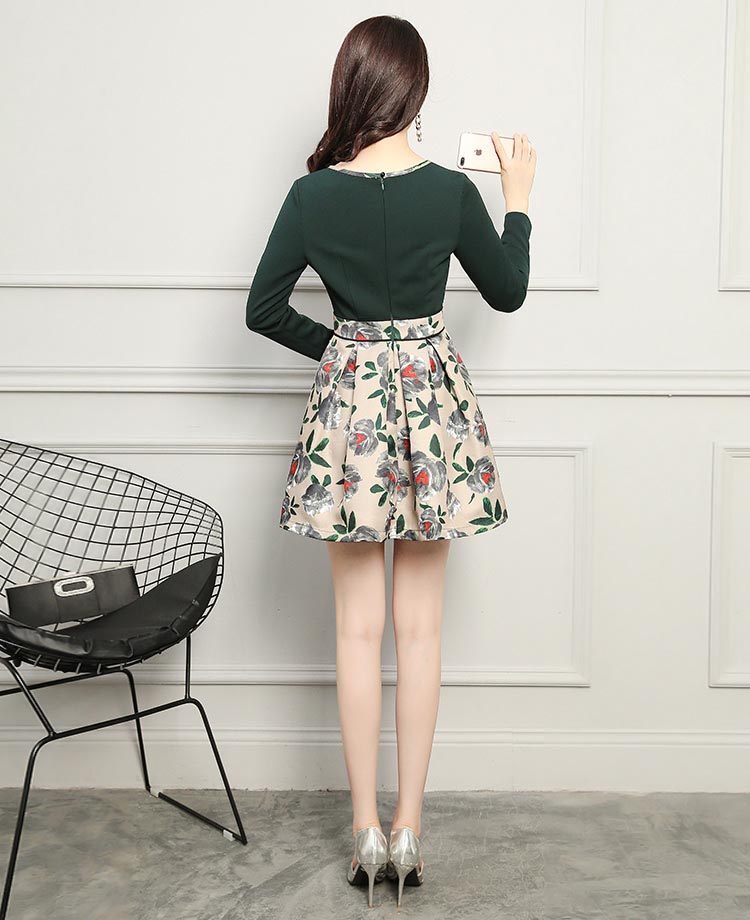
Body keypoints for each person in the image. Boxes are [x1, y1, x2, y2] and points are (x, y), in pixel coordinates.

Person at [245, 14, 536, 909]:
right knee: (420, 633)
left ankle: (364, 831)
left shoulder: (310, 197)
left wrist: (347, 353)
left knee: (354, 631)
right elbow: (508, 292)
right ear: (415, 92)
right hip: (434, 418)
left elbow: (262, 309)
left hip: (350, 424)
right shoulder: (449, 191)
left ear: (350, 89)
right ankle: (410, 829)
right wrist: (519, 198)